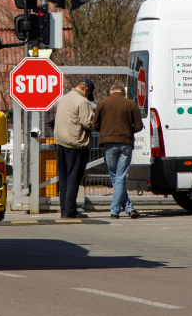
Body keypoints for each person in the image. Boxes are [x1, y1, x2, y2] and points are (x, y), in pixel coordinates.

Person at [93, 83, 143, 219]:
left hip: (108, 143)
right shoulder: (131, 104)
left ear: (111, 91)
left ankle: (114, 211)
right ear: (124, 92)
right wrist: (127, 130)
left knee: (116, 177)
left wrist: (105, 131)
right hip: (126, 143)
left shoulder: (103, 103)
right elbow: (139, 125)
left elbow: (94, 124)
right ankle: (129, 208)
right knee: (119, 177)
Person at [53, 78, 95, 219]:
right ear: (86, 90)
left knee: (64, 178)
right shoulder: (82, 101)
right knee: (74, 178)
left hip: (61, 142)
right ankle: (70, 210)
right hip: (76, 144)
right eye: (89, 94)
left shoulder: (64, 98)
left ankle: (64, 209)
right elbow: (88, 123)